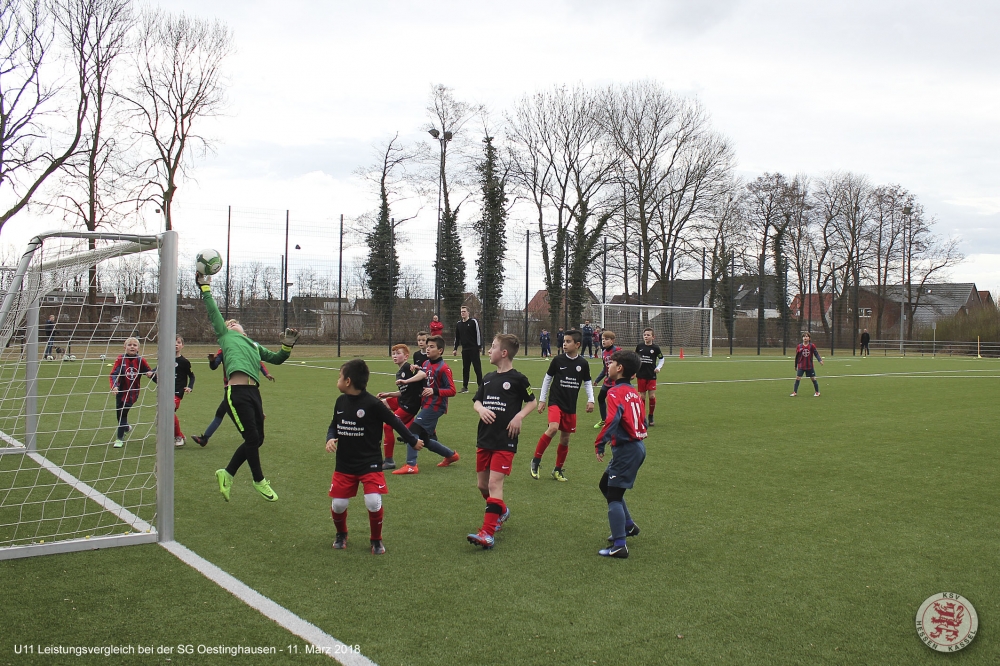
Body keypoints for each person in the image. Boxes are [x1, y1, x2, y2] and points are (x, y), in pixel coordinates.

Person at [197, 271, 298, 503]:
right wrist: (205, 288)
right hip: (237, 393)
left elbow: (276, 359)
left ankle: (227, 473)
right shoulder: (225, 337)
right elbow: (213, 312)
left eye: (235, 323)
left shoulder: (254, 345)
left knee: (258, 439)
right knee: (252, 438)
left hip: (254, 393)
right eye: (228, 324)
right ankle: (258, 480)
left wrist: (287, 347)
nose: (231, 324)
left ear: (243, 329)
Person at [326, 359, 424, 555]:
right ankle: (341, 534)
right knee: (338, 504)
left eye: (339, 377)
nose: (337, 380)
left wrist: (412, 440)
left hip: (369, 463)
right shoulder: (340, 402)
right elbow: (333, 426)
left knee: (372, 501)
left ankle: (376, 539)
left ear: (348, 381)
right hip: (345, 464)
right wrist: (330, 438)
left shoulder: (373, 404)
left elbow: (395, 422)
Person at [467, 334, 536, 549]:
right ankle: (502, 511)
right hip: (484, 437)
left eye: (493, 346)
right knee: (482, 485)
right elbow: (477, 401)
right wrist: (481, 409)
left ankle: (487, 534)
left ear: (504, 353)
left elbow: (532, 402)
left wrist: (519, 416)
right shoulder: (488, 378)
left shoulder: (519, 379)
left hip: (505, 439)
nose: (489, 350)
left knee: (494, 484)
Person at [595, 350, 647, 559]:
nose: (608, 366)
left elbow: (612, 420)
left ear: (619, 368)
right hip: (636, 447)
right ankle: (628, 526)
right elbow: (642, 421)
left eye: (611, 363)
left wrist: (600, 443)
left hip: (627, 450)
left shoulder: (614, 392)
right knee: (605, 485)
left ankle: (619, 545)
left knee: (614, 496)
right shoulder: (634, 393)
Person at [530, 329, 593, 482]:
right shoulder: (558, 360)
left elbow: (587, 382)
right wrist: (542, 400)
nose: (564, 344)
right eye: (564, 341)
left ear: (577, 344)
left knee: (565, 439)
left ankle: (558, 470)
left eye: (568, 341)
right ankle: (536, 461)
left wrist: (591, 399)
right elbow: (547, 379)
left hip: (570, 405)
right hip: (555, 402)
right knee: (553, 428)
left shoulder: (583, 363)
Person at [392, 335, 460, 474]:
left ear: (440, 350)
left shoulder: (444, 368)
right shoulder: (426, 363)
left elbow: (452, 390)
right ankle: (451, 455)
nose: (428, 349)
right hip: (426, 404)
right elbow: (423, 376)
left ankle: (411, 465)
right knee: (424, 439)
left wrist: (434, 390)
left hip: (436, 406)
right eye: (427, 346)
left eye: (431, 347)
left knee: (413, 430)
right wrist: (415, 370)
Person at [191, 349, 273, 448]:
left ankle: (205, 439)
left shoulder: (245, 347)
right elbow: (214, 366)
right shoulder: (224, 350)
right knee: (223, 412)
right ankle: (257, 418)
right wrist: (212, 361)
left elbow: (258, 361)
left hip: (244, 388)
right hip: (231, 388)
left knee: (222, 412)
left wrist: (266, 373)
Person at [376, 343, 425, 470]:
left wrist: (408, 379)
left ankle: (389, 460)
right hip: (402, 400)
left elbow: (422, 374)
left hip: (409, 405)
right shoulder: (400, 372)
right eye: (393, 354)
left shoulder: (409, 367)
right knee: (380, 405)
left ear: (406, 356)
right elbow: (404, 392)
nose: (395, 356)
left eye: (398, 353)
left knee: (388, 426)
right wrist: (389, 394)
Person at [109, 337, 154, 448]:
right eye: (129, 345)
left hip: (133, 393)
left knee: (123, 414)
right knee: (119, 415)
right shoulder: (120, 359)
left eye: (134, 345)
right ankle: (126, 428)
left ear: (138, 348)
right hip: (120, 392)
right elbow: (113, 374)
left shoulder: (140, 360)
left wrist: (151, 375)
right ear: (125, 347)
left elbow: (149, 372)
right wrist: (114, 386)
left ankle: (119, 438)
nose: (132, 347)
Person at [153, 336, 195, 448]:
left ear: (182, 345)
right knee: (166, 414)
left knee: (169, 411)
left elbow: (191, 376)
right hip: (165, 391)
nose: (176, 344)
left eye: (178, 342)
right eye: (173, 342)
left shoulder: (184, 362)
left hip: (177, 392)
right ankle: (180, 435)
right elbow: (155, 371)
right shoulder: (165, 359)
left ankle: (178, 437)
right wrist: (151, 374)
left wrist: (190, 387)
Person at [635, 328, 664, 426]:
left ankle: (651, 415)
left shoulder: (655, 348)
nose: (646, 336)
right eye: (645, 335)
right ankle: (642, 417)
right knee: (642, 396)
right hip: (641, 374)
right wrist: (633, 371)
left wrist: (658, 368)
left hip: (651, 375)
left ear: (653, 337)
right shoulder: (639, 346)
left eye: (648, 335)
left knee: (652, 396)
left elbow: (661, 359)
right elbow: (635, 358)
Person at [592, 330, 621, 429]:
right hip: (608, 381)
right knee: (601, 398)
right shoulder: (604, 352)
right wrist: (597, 380)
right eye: (603, 339)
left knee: (615, 401)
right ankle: (604, 420)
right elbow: (605, 368)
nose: (603, 341)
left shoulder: (617, 350)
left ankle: (619, 421)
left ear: (612, 341)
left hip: (617, 381)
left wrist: (630, 373)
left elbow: (626, 362)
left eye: (606, 339)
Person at [453, 305, 483, 393]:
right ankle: (465, 387)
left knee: (477, 368)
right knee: (465, 369)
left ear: (468, 313)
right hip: (465, 350)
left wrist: (479, 346)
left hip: (474, 349)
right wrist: (455, 348)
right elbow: (457, 337)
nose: (462, 313)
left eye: (464, 311)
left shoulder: (473, 322)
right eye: (461, 312)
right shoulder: (459, 324)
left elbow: (478, 334)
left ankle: (480, 387)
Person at [791, 331, 823, 397]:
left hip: (809, 366)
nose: (805, 338)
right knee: (798, 378)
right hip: (801, 365)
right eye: (804, 336)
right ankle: (794, 392)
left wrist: (820, 360)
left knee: (813, 378)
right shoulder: (799, 346)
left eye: (806, 336)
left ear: (809, 338)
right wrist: (795, 365)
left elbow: (816, 353)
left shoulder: (812, 346)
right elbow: (797, 357)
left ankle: (817, 392)